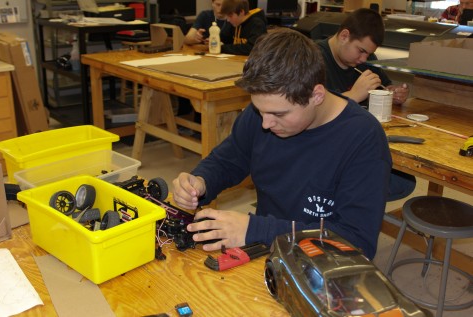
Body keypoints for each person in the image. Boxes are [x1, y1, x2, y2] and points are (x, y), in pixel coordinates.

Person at [172, 28, 392, 260]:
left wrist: (254, 229)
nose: (265, 123)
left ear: (316, 96)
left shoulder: (363, 138)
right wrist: (201, 181)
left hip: (324, 264)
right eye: (260, 110)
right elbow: (230, 158)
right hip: (267, 249)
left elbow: (356, 241)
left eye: (278, 114)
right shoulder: (264, 113)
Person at [316, 8, 416, 202]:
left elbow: (385, 86)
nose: (363, 59)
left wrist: (394, 93)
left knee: (403, 180)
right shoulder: (314, 59)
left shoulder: (366, 61)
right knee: (391, 181)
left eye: (368, 54)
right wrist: (353, 95)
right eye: (361, 51)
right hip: (326, 152)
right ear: (344, 36)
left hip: (358, 143)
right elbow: (308, 112)